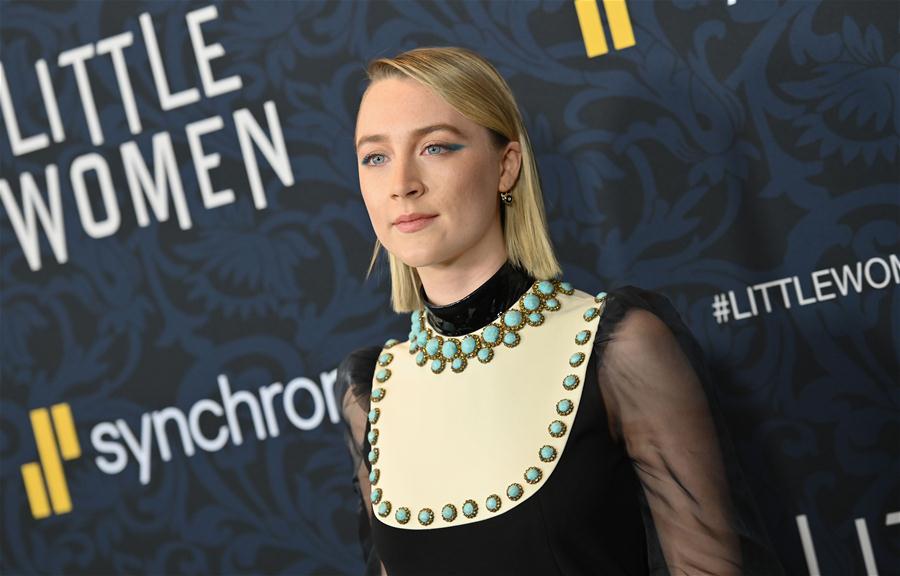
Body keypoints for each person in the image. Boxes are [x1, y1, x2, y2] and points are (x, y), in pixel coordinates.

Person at [337, 46, 784, 576]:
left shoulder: (618, 348)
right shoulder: (372, 394)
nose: (402, 184)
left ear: (506, 166)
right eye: (375, 157)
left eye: (435, 147)